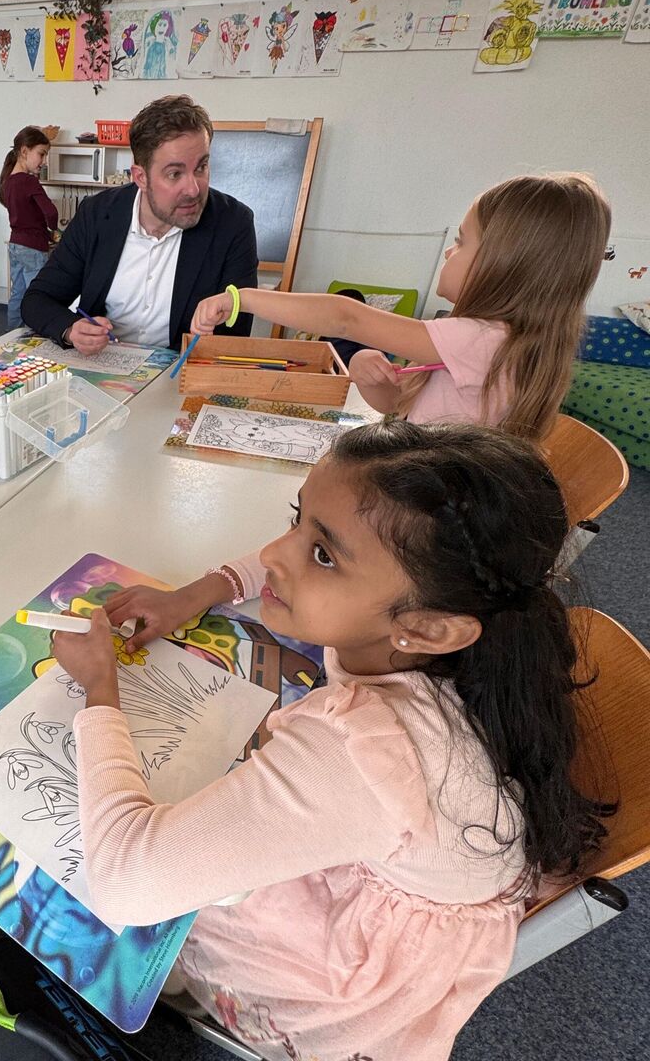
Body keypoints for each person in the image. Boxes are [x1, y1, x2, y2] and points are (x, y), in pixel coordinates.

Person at [52, 420, 610, 1061]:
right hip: (406, 868)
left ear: (428, 628)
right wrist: (195, 594)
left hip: (348, 979)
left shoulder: (362, 753)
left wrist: (100, 689)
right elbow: (322, 546)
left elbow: (126, 882)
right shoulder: (464, 635)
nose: (273, 554)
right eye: (297, 520)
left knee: (95, 904)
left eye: (322, 555)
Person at [192, 172, 610, 439]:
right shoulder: (497, 341)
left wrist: (241, 298)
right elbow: (400, 409)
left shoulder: (484, 339)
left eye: (461, 241)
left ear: (505, 264)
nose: (449, 252)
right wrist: (368, 374)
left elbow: (345, 316)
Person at [20, 94, 258, 355]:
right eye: (175, 174)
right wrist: (71, 329)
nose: (193, 189)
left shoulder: (233, 224)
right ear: (140, 177)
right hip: (99, 363)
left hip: (180, 370)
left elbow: (233, 336)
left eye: (201, 167)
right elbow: (37, 300)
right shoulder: (96, 214)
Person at [0, 126, 56, 329]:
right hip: (33, 247)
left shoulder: (8, 181)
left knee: (18, 292)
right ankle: (36, 335)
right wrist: (53, 230)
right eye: (41, 154)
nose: (44, 161)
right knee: (37, 295)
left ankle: (12, 334)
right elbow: (51, 213)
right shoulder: (30, 181)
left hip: (15, 244)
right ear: (24, 151)